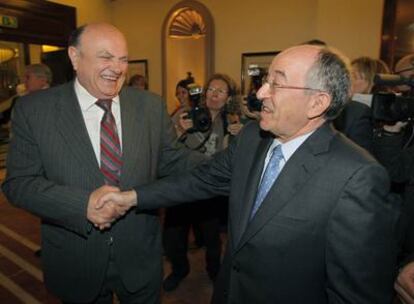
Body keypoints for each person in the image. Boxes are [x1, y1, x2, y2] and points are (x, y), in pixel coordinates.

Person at [99, 45, 401, 303]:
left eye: (276, 84)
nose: (260, 93)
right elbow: (198, 180)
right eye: (265, 80)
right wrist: (129, 197)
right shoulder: (252, 137)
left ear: (317, 102)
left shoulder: (357, 176)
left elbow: (357, 294)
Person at [2, 22, 202, 304]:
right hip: (76, 259)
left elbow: (172, 160)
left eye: (123, 59)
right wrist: (81, 205)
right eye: (106, 57)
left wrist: (228, 163)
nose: (117, 68)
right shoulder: (35, 111)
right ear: (74, 57)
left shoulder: (149, 106)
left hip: (139, 258)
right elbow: (18, 184)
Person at [162, 73, 242, 292]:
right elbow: (164, 147)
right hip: (182, 185)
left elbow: (234, 158)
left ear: (228, 98)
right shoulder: (185, 113)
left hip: (209, 188)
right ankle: (179, 270)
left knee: (212, 239)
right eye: (211, 90)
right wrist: (179, 129)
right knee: (173, 238)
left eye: (220, 91)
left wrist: (240, 136)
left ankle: (215, 273)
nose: (214, 95)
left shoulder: (230, 121)